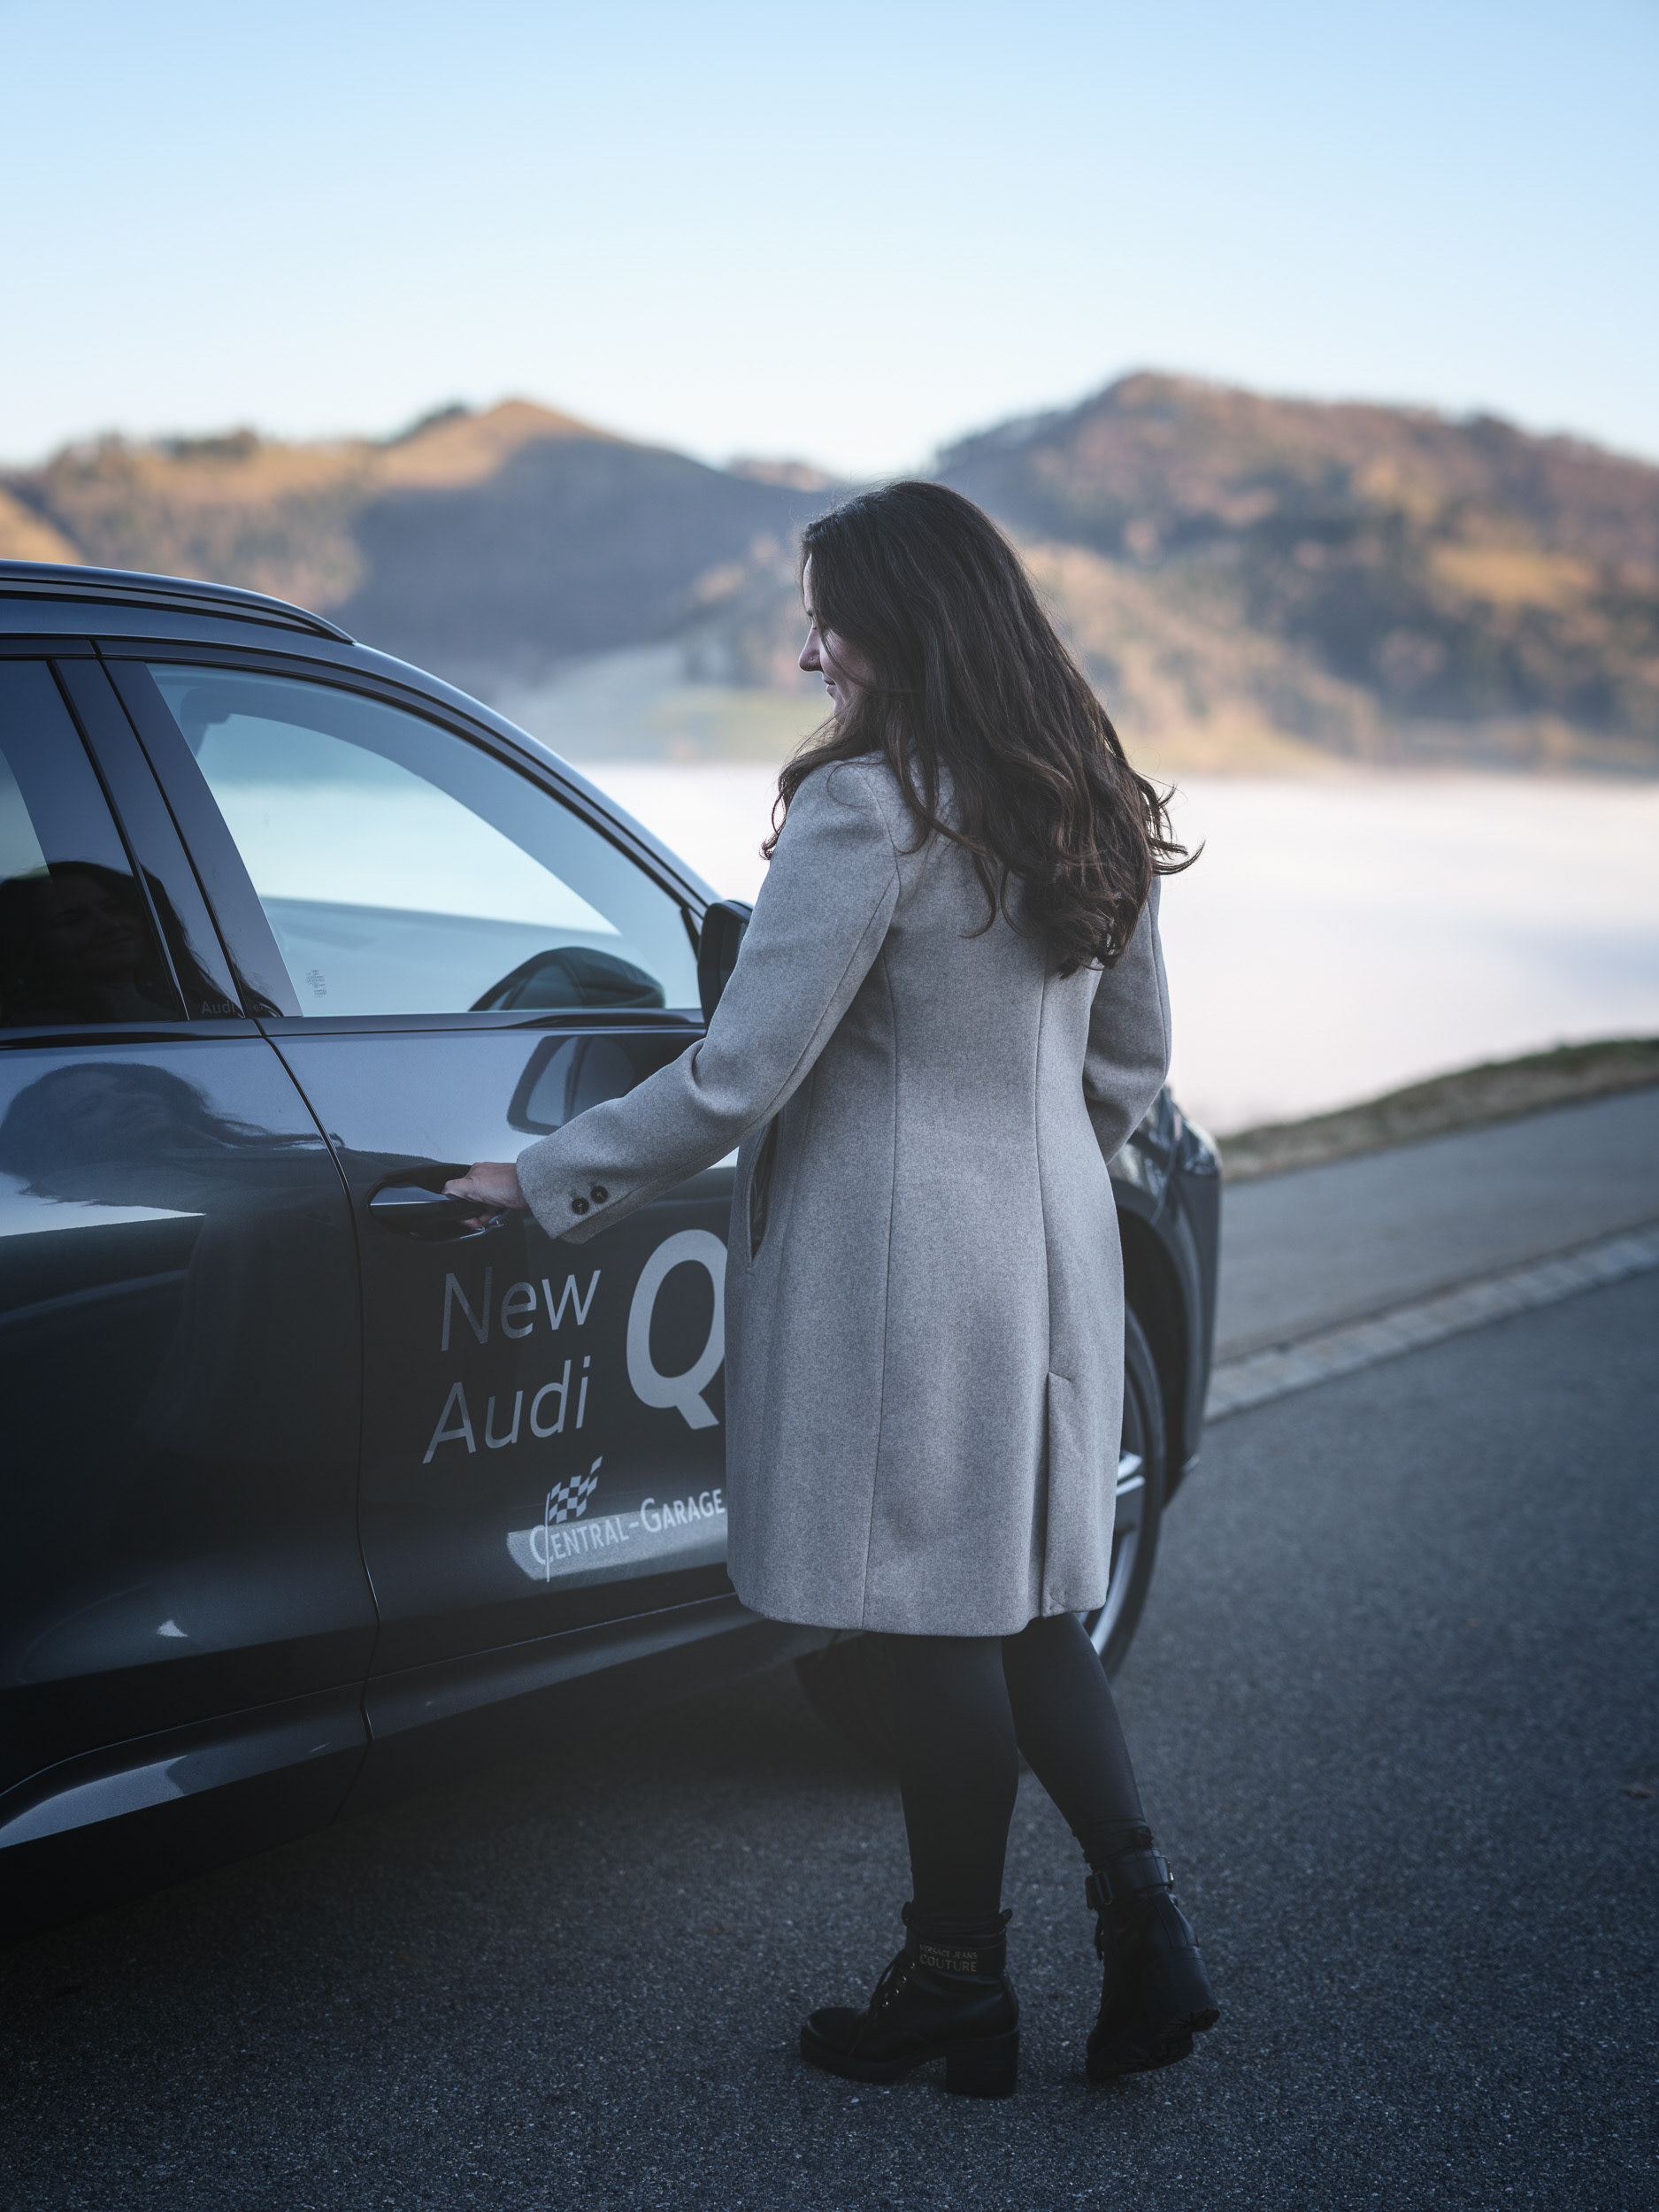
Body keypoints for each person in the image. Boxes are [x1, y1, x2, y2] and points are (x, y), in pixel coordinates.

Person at [446, 480, 1218, 2099]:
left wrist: (543, 1176)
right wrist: (1024, 1180)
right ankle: (1145, 1931)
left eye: (831, 616)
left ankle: (955, 1987)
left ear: (911, 620)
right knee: (1024, 1607)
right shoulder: (1083, 794)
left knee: (935, 1619)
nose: (812, 652)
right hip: (1053, 1245)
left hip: (903, 1264)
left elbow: (739, 1075)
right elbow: (1130, 1069)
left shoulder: (875, 811)